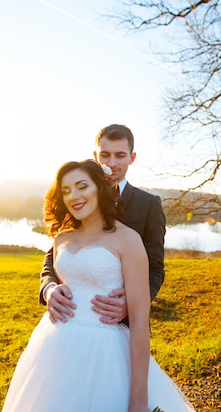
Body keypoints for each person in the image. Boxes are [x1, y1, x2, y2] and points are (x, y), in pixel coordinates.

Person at [1, 160, 194, 411]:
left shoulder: (128, 240)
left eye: (82, 186)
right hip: (55, 345)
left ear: (100, 188)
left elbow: (138, 322)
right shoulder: (62, 238)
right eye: (67, 190)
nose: (74, 196)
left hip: (105, 352)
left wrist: (139, 401)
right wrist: (50, 290)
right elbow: (56, 275)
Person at [40, 124, 166, 325]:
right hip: (69, 317)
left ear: (132, 158)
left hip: (122, 324)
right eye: (105, 155)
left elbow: (156, 267)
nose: (112, 162)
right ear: (95, 156)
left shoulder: (149, 204)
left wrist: (132, 303)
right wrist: (49, 289)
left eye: (120, 155)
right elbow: (53, 255)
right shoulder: (77, 199)